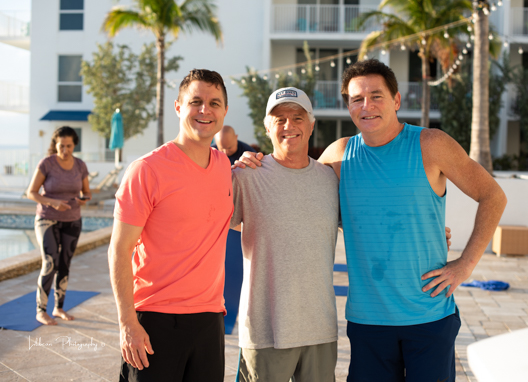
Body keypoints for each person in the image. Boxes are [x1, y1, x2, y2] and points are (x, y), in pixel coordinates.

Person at [236, 59, 506, 382]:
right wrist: (254, 163)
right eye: (356, 99)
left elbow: (493, 196)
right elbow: (300, 197)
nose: (367, 106)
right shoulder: (338, 156)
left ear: (396, 100)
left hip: (428, 316)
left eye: (376, 96)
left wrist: (465, 265)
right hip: (368, 325)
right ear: (348, 106)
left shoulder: (430, 145)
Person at [108, 69, 233, 382]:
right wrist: (127, 323)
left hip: (209, 319)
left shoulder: (223, 165)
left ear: (224, 111)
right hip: (155, 320)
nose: (206, 110)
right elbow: (120, 249)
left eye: (214, 103)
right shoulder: (147, 170)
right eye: (196, 102)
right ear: (178, 107)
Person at [231, 87, 340, 382]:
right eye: (279, 119)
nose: (289, 126)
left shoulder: (331, 180)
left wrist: (432, 232)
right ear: (267, 127)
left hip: (320, 329)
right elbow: (200, 220)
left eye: (297, 117)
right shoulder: (245, 176)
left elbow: (369, 225)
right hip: (265, 332)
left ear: (311, 123)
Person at [26, 126, 91, 326]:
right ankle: (41, 310)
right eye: (61, 146)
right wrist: (53, 202)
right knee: (50, 262)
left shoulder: (80, 165)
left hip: (72, 220)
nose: (65, 150)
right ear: (55, 144)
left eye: (69, 146)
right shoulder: (47, 164)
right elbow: (31, 192)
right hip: (47, 218)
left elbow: (87, 193)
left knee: (64, 263)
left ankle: (59, 307)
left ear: (74, 145)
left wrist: (84, 199)